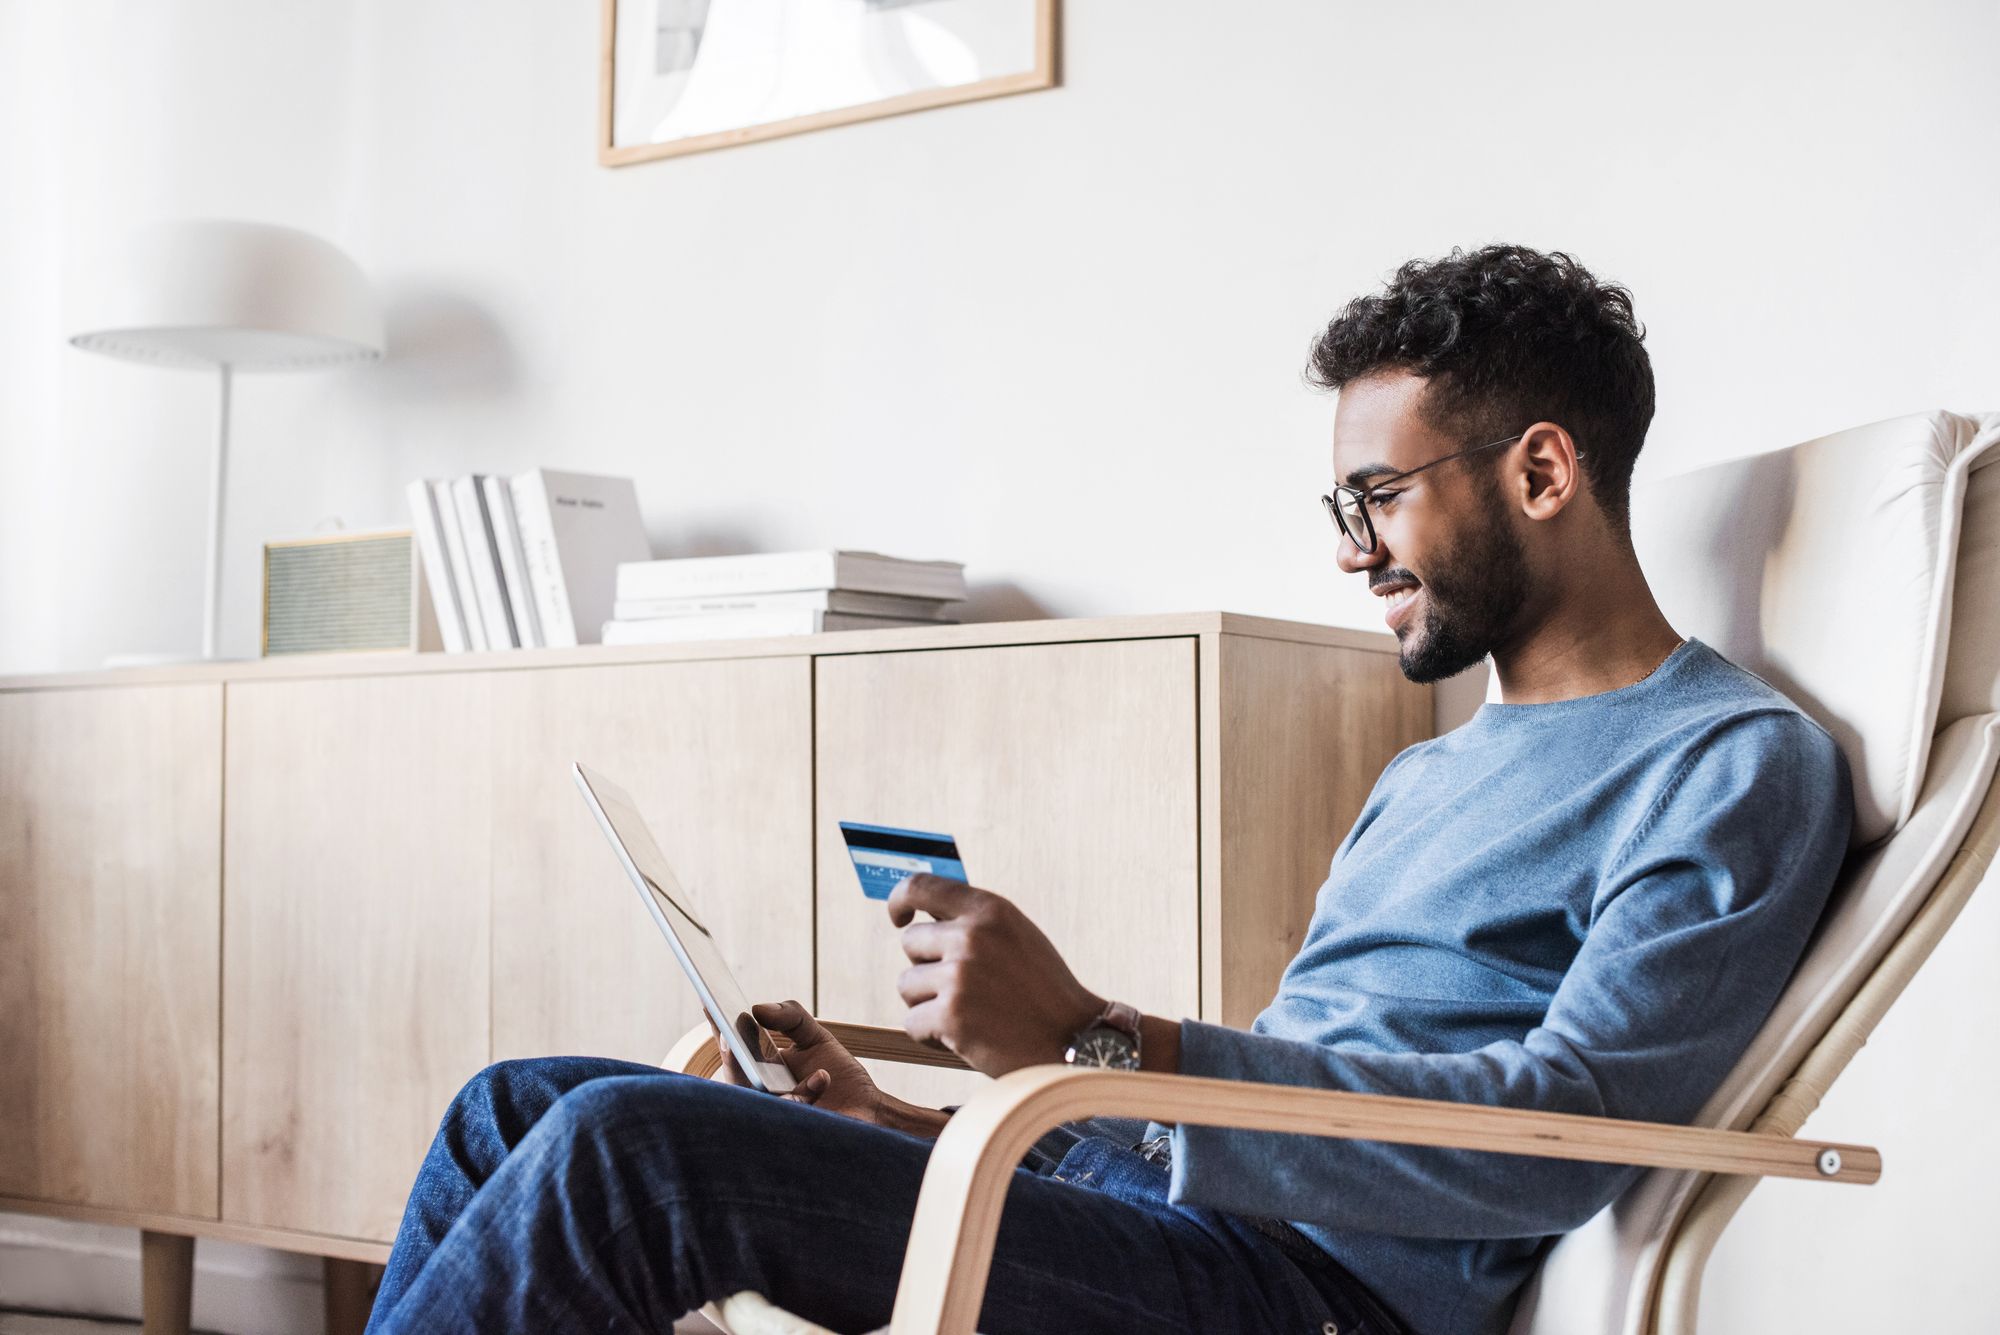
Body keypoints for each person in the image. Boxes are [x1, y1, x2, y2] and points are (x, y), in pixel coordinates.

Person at [364, 245, 1851, 1335]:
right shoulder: (1431, 774)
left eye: (1380, 496)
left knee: (634, 1159)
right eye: (1344, 507)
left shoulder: (1725, 766)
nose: (1351, 550)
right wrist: (893, 1121)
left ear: (1541, 473)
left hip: (1313, 1301)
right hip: (1192, 1233)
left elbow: (1555, 1132)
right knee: (523, 1108)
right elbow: (1232, 1131)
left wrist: (1092, 1035)